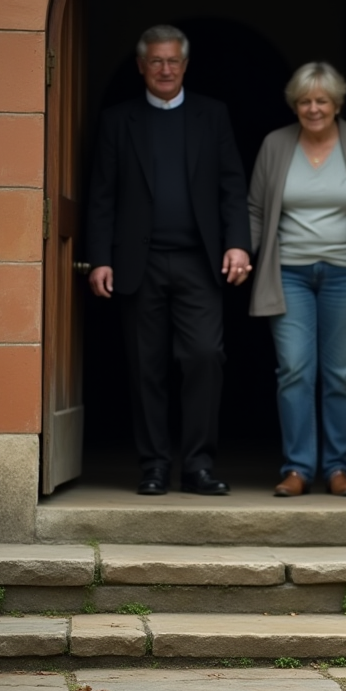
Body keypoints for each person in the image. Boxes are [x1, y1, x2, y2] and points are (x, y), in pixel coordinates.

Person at [85, 25, 251, 497]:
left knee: (204, 358)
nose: (164, 69)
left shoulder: (212, 115)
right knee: (146, 366)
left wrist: (238, 243)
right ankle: (154, 465)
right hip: (140, 263)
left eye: (172, 60)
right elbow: (102, 196)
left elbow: (231, 187)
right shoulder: (119, 120)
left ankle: (198, 466)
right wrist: (99, 258)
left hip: (201, 262)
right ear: (141, 66)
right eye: (155, 61)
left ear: (185, 65)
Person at [248, 62, 346, 497]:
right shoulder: (276, 144)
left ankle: (337, 468)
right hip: (287, 274)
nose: (313, 109)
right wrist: (245, 254)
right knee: (294, 369)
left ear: (337, 104)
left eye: (321, 101)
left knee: (342, 374)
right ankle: (297, 468)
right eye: (304, 101)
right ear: (294, 105)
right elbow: (256, 209)